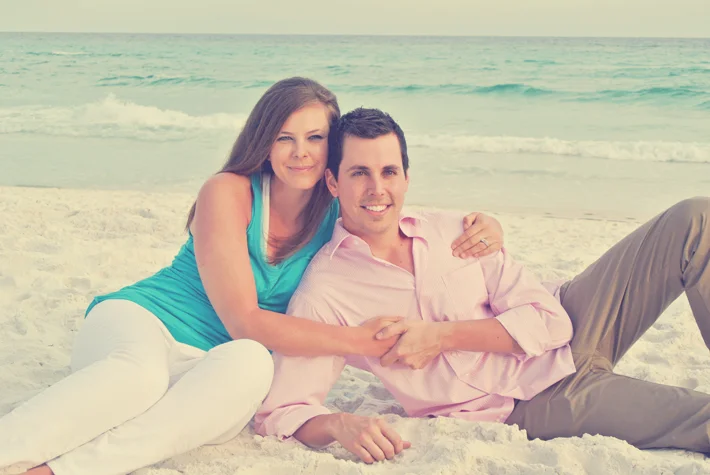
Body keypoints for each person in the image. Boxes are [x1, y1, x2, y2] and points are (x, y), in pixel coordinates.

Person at [0, 79, 504, 475]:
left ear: (333, 152)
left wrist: (484, 226)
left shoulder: (339, 213)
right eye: (285, 138)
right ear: (264, 142)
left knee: (252, 365)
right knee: (140, 377)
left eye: (315, 139)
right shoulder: (230, 191)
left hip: (214, 365)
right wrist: (357, 340)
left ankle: (61, 470)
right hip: (143, 324)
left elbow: (393, 220)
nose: (300, 152)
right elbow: (243, 319)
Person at [255, 107, 710, 464]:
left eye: (389, 172)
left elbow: (552, 323)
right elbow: (283, 409)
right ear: (333, 181)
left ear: (407, 178)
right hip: (532, 401)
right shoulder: (325, 291)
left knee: (696, 218)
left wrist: (441, 337)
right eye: (359, 173)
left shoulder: (457, 229)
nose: (377, 188)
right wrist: (338, 424)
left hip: (578, 312)